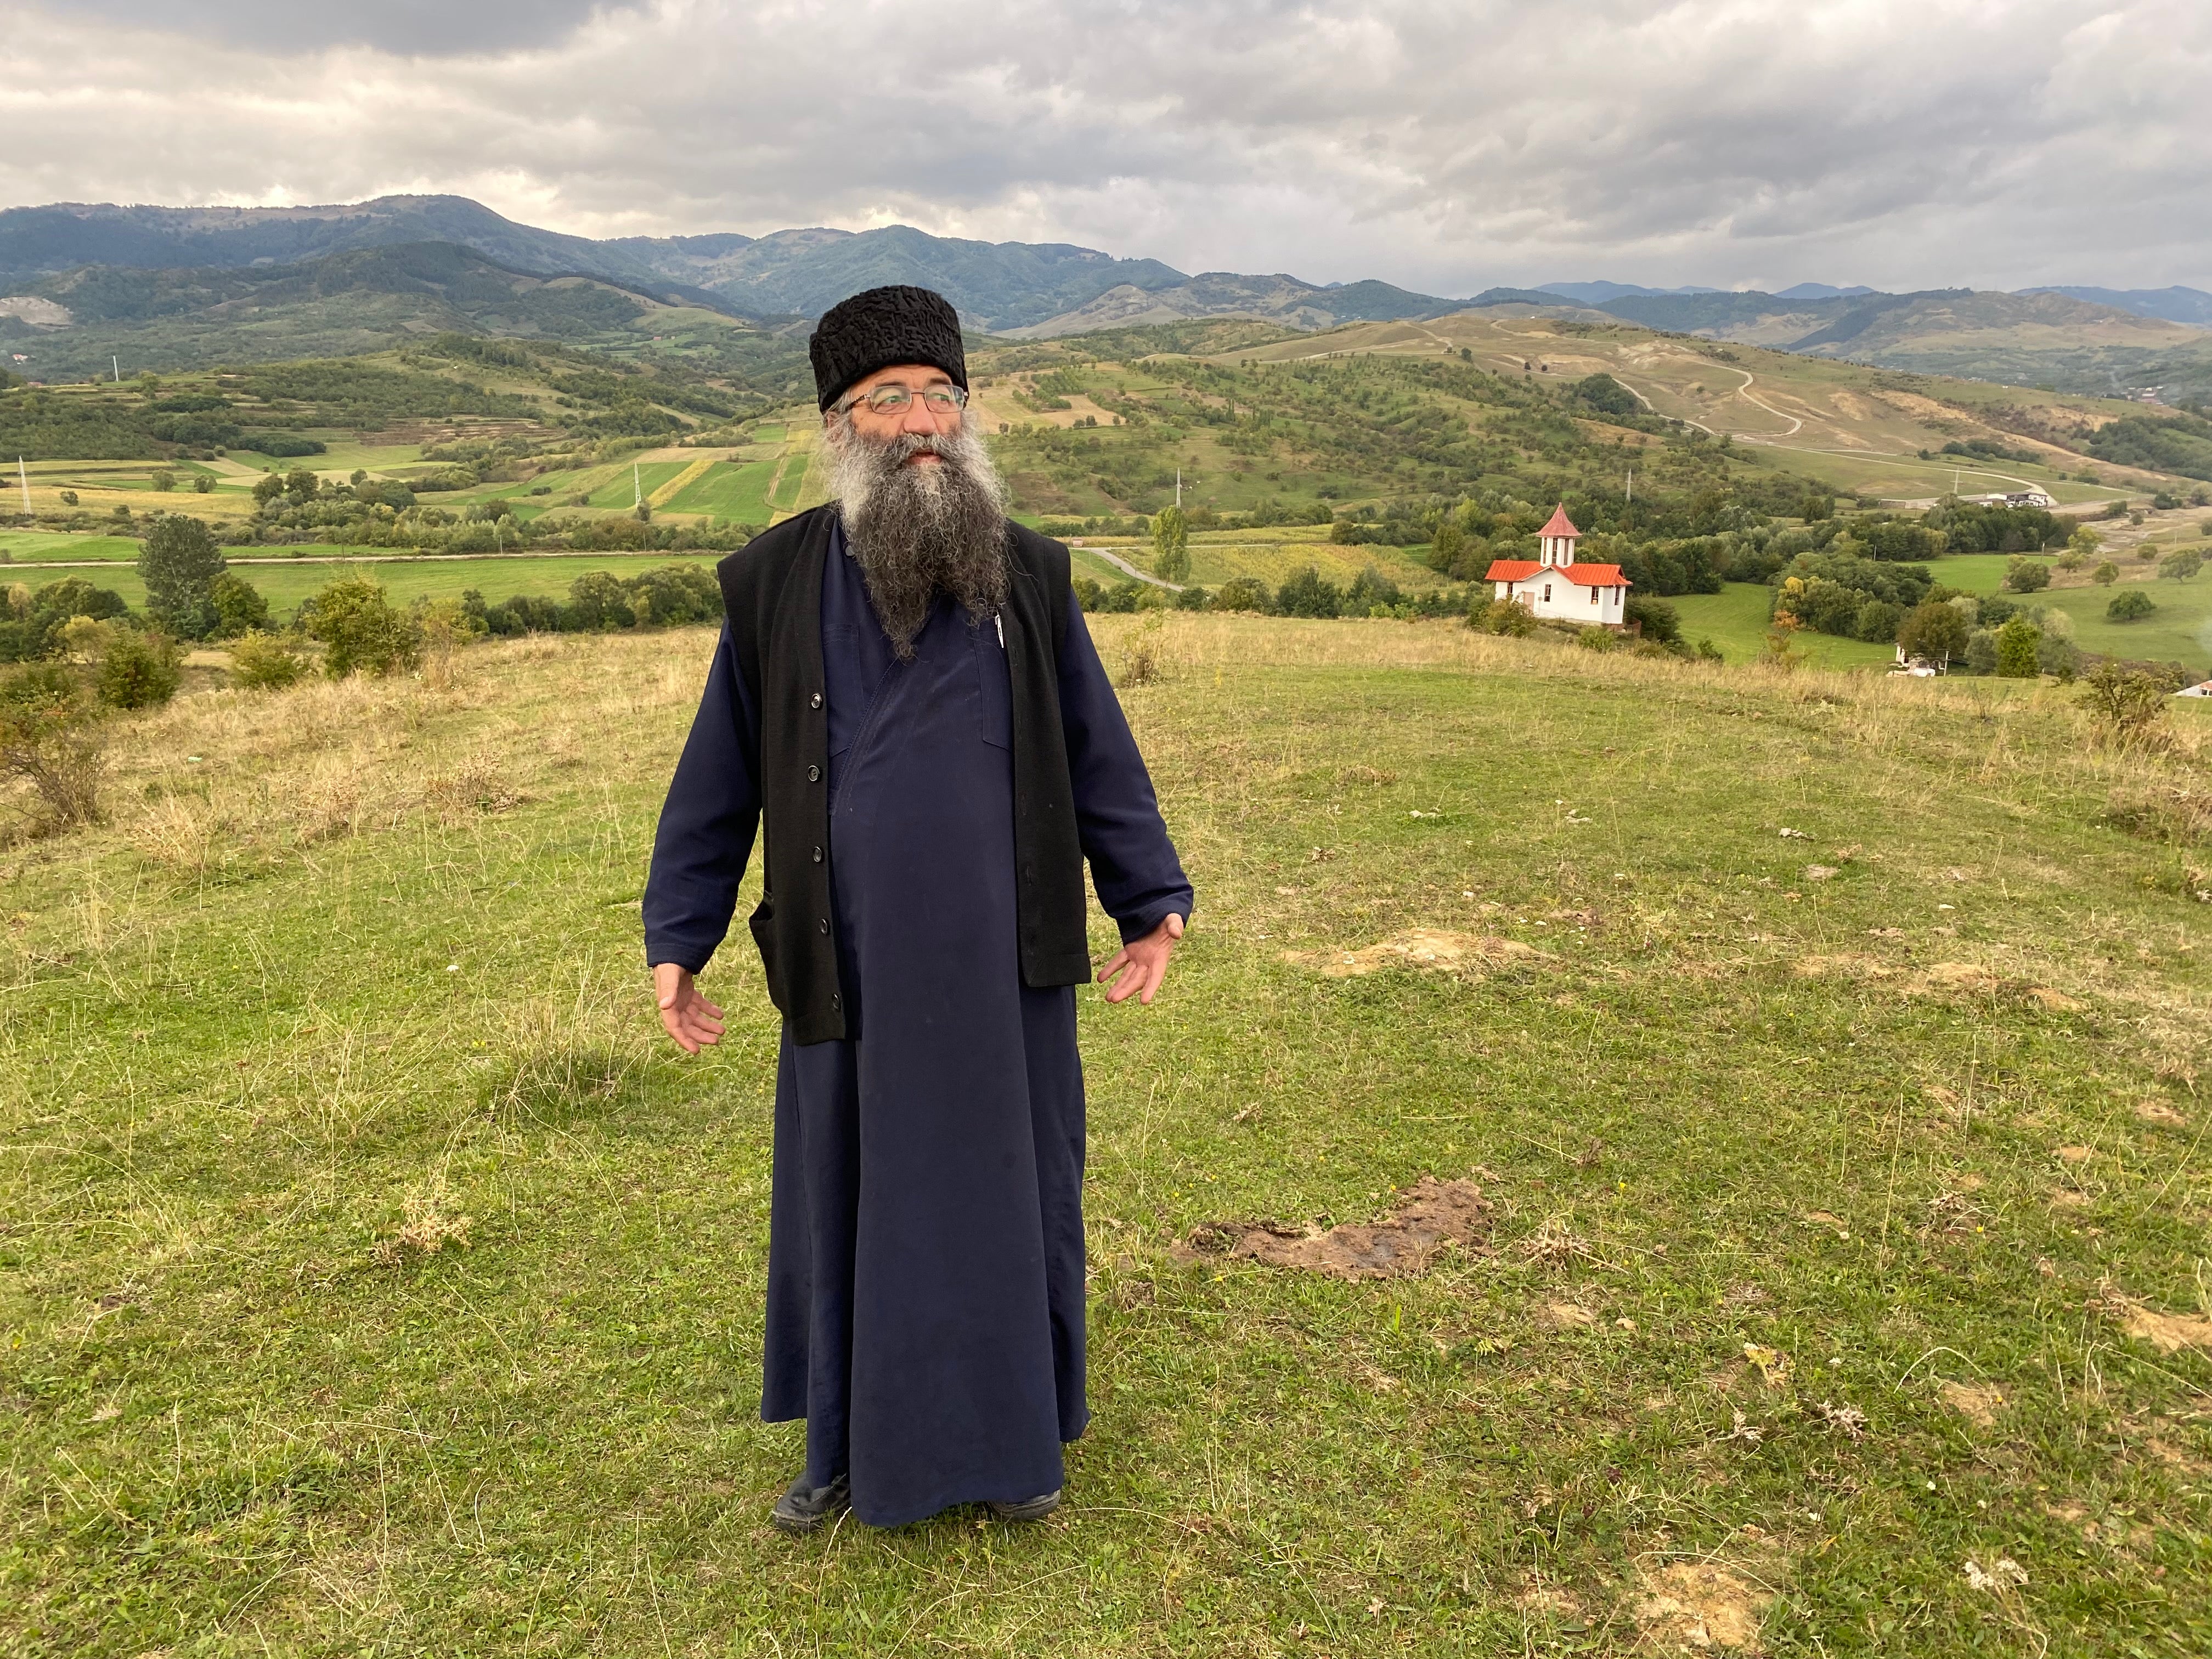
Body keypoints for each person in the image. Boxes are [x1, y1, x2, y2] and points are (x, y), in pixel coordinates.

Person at [642, 284, 1193, 1533]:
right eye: (888, 399)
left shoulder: (1034, 576)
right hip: (851, 969)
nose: (923, 421)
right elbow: (718, 776)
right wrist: (680, 936)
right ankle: (842, 1453)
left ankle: (1017, 1457)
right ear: (839, 427)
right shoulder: (772, 584)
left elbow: (1098, 751)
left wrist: (1148, 900)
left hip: (1007, 972)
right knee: (848, 1203)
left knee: (1010, 1199)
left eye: (942, 394)